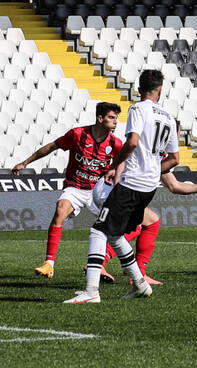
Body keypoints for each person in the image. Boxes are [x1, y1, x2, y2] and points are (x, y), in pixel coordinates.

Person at [64, 69, 179, 303]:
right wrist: (152, 171)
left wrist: (114, 166)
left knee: (99, 230)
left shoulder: (138, 109)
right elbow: (175, 159)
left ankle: (91, 292)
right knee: (115, 234)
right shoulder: (169, 117)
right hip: (149, 186)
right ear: (160, 90)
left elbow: (132, 142)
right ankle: (140, 283)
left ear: (139, 88)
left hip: (132, 182)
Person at [11, 102, 123, 279]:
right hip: (75, 187)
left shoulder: (116, 143)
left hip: (98, 192)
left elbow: (123, 163)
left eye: (117, 118)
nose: (116, 122)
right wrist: (24, 163)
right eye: (112, 117)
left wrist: (115, 174)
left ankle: (105, 264)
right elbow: (51, 147)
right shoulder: (78, 134)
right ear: (100, 118)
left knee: (128, 225)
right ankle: (49, 264)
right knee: (60, 211)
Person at [97, 172, 197, 285]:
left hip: (111, 191)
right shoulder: (143, 150)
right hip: (109, 190)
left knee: (150, 221)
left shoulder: (156, 156)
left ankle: (138, 273)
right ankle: (99, 266)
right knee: (134, 225)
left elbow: (174, 185)